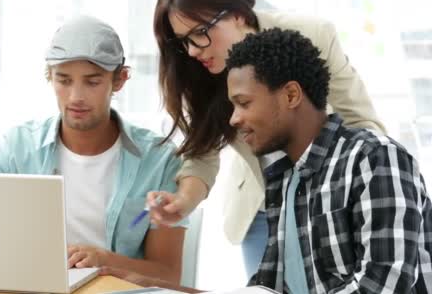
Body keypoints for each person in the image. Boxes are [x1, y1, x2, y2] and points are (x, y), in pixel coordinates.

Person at [103, 28, 432, 293]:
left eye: (244, 103)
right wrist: (155, 286)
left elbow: (386, 285)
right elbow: (268, 288)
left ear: (290, 95)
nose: (234, 119)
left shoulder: (374, 158)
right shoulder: (283, 180)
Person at [147, 0, 386, 277]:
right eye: (183, 41)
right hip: (262, 211)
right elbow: (202, 150)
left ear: (238, 14)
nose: (192, 50)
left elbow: (361, 121)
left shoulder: (310, 35)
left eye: (200, 33)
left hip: (330, 203)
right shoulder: (202, 71)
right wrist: (183, 201)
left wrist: (369, 193)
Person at [0, 16, 186, 283]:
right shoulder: (17, 148)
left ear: (120, 80)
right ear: (50, 77)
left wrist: (103, 260)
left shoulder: (160, 159)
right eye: (64, 81)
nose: (76, 96)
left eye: (92, 82)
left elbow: (168, 273)